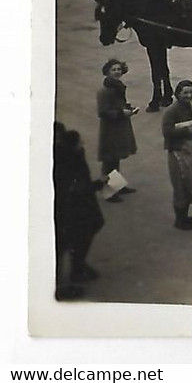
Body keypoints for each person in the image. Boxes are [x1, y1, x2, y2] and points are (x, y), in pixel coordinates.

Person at [53, 124, 105, 299]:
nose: (83, 145)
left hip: (80, 207)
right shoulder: (64, 161)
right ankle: (63, 285)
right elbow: (73, 187)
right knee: (64, 244)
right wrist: (96, 185)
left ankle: (78, 266)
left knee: (86, 231)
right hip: (68, 210)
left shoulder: (71, 155)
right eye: (79, 143)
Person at [162, 79, 192, 230]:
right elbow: (167, 132)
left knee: (190, 183)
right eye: (185, 93)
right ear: (178, 94)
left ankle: (184, 216)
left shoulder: (190, 109)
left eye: (191, 92)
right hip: (177, 152)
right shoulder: (171, 111)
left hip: (190, 151)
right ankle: (180, 219)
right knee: (180, 185)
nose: (188, 96)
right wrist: (185, 130)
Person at [95, 58, 138, 201]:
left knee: (116, 157)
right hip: (110, 128)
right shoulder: (105, 90)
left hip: (119, 126)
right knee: (110, 159)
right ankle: (109, 192)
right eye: (114, 69)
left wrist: (127, 108)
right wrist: (121, 113)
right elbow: (102, 111)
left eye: (119, 69)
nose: (117, 72)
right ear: (107, 72)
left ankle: (117, 185)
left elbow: (119, 104)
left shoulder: (118, 87)